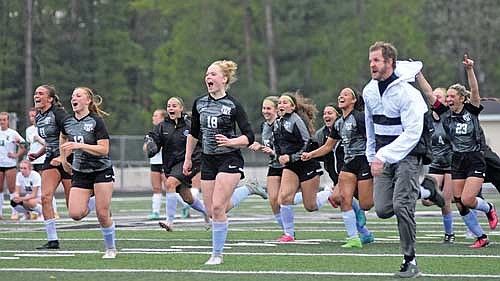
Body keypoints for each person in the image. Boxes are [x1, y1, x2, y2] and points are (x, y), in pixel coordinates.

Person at [363, 42, 429, 278]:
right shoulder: (369, 91)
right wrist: (372, 156)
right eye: (370, 60)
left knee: (402, 206)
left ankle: (410, 260)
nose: (372, 64)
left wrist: (383, 155)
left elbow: (412, 134)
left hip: (408, 154)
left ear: (390, 62)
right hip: (383, 156)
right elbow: (370, 126)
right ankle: (425, 190)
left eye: (377, 60)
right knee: (381, 209)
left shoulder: (408, 93)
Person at [183, 60, 256, 265]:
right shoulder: (199, 103)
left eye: (213, 74)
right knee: (211, 209)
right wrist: (188, 158)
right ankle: (248, 190)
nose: (209, 78)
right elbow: (194, 134)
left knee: (217, 208)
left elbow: (249, 136)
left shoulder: (233, 105)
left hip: (229, 159)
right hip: (208, 160)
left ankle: (217, 254)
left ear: (224, 79)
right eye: (207, 74)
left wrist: (231, 142)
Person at [431, 55, 498, 248]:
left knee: (468, 199)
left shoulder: (472, 110)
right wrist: (418, 74)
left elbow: (475, 91)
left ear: (461, 98)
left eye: (452, 96)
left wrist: (469, 70)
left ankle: (489, 207)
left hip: (475, 158)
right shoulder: (445, 114)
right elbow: (429, 94)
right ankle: (481, 237)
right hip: (457, 160)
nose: (449, 99)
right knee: (459, 202)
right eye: (448, 97)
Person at [302, 89, 375, 248]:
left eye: (346, 94)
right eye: (340, 94)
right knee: (343, 198)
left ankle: (384, 196)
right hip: (348, 164)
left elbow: (372, 139)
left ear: (354, 100)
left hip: (363, 161)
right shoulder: (339, 123)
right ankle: (353, 238)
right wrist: (311, 154)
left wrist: (377, 159)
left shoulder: (360, 118)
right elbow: (328, 146)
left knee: (366, 203)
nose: (341, 96)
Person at [60, 87, 117, 259]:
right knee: (75, 214)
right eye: (72, 96)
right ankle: (95, 202)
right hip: (80, 172)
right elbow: (63, 137)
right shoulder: (68, 121)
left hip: (101, 170)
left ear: (88, 101)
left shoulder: (96, 121)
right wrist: (63, 159)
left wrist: (80, 146)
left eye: (78, 95)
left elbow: (104, 149)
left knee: (102, 214)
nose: (73, 98)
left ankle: (111, 249)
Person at [273, 92, 332, 243]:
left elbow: (306, 142)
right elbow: (277, 143)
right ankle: (289, 234)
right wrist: (280, 156)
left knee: (310, 206)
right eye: (279, 103)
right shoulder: (277, 122)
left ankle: (327, 193)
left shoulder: (296, 120)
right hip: (291, 166)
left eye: (285, 103)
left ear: (292, 107)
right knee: (284, 198)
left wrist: (292, 157)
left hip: (307, 164)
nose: (281, 105)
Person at [146, 97, 210, 231]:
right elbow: (153, 139)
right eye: (169, 106)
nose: (171, 108)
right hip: (171, 164)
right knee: (187, 197)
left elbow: (203, 139)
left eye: (174, 106)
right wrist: (151, 144)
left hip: (191, 161)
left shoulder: (190, 124)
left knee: (169, 183)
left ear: (181, 108)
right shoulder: (162, 126)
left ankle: (169, 222)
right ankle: (207, 213)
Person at [28, 85, 72, 249]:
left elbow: (70, 136)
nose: (36, 96)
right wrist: (38, 154)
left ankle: (97, 200)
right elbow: (50, 141)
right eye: (35, 93)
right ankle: (53, 240)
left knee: (74, 209)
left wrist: (62, 157)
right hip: (50, 159)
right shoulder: (39, 117)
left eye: (41, 93)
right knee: (46, 197)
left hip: (68, 159)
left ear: (50, 99)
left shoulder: (59, 114)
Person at [416, 75, 458, 243]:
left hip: (451, 163)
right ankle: (455, 198)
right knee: (427, 200)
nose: (434, 98)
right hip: (435, 163)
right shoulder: (426, 118)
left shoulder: (448, 115)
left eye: (438, 96)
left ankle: (449, 233)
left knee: (446, 202)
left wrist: (419, 74)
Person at [26, 108, 59, 219]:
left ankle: (54, 211)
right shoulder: (29, 130)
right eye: (30, 116)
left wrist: (39, 139)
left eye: (34, 115)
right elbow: (30, 144)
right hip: (34, 160)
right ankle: (37, 211)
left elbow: (49, 143)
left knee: (46, 188)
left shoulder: (45, 126)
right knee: (35, 187)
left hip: (43, 159)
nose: (32, 118)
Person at [0, 112, 27, 220]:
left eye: (4, 120)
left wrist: (16, 155)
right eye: (0, 120)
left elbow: (24, 145)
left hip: (10, 164)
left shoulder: (12, 133)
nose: (2, 122)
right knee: (0, 189)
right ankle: (0, 213)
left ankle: (14, 212)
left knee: (12, 189)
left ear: (8, 121)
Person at [144, 109, 167, 220]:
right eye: (153, 115)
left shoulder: (167, 130)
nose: (153, 117)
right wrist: (150, 145)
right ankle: (155, 212)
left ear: (163, 118)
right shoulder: (151, 132)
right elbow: (145, 148)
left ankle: (185, 205)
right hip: (154, 162)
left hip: (165, 162)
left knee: (170, 188)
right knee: (156, 188)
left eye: (156, 115)